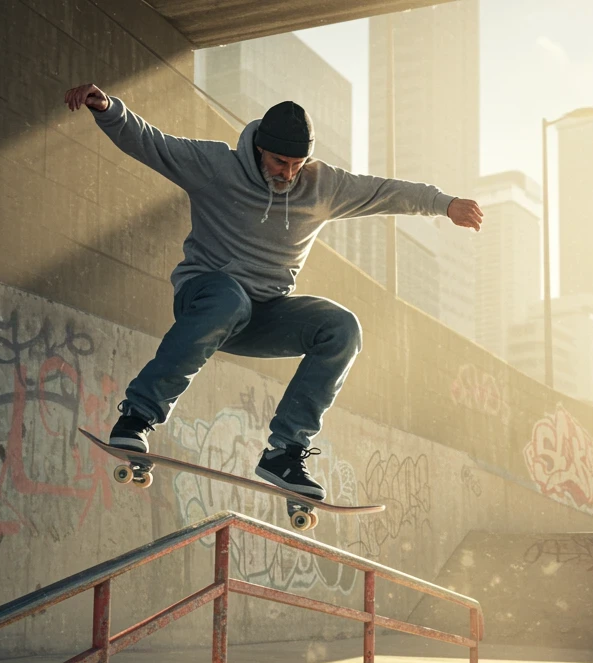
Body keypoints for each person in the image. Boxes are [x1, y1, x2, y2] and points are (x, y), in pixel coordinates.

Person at [64, 83, 483, 500]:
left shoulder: (324, 186)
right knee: (229, 299)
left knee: (341, 328)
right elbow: (151, 143)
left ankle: (285, 451)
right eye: (279, 161)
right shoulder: (214, 166)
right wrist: (107, 108)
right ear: (259, 148)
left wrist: (443, 204)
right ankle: (136, 418)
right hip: (205, 298)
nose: (287, 173)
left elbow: (384, 191)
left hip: (264, 316)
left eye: (297, 164)